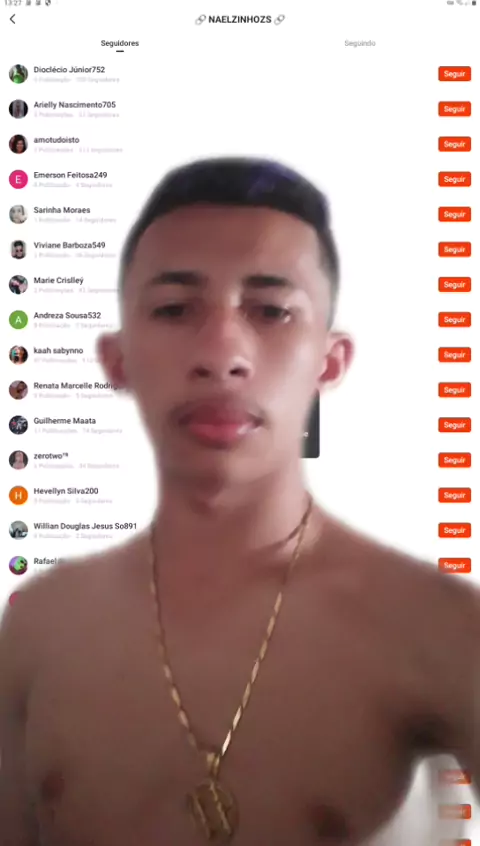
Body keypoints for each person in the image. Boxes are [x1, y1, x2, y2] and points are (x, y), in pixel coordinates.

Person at [0, 157, 478, 846]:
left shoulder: (438, 625)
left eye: (272, 311)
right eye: (174, 309)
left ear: (330, 361)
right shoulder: (39, 628)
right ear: (117, 359)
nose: (223, 353)